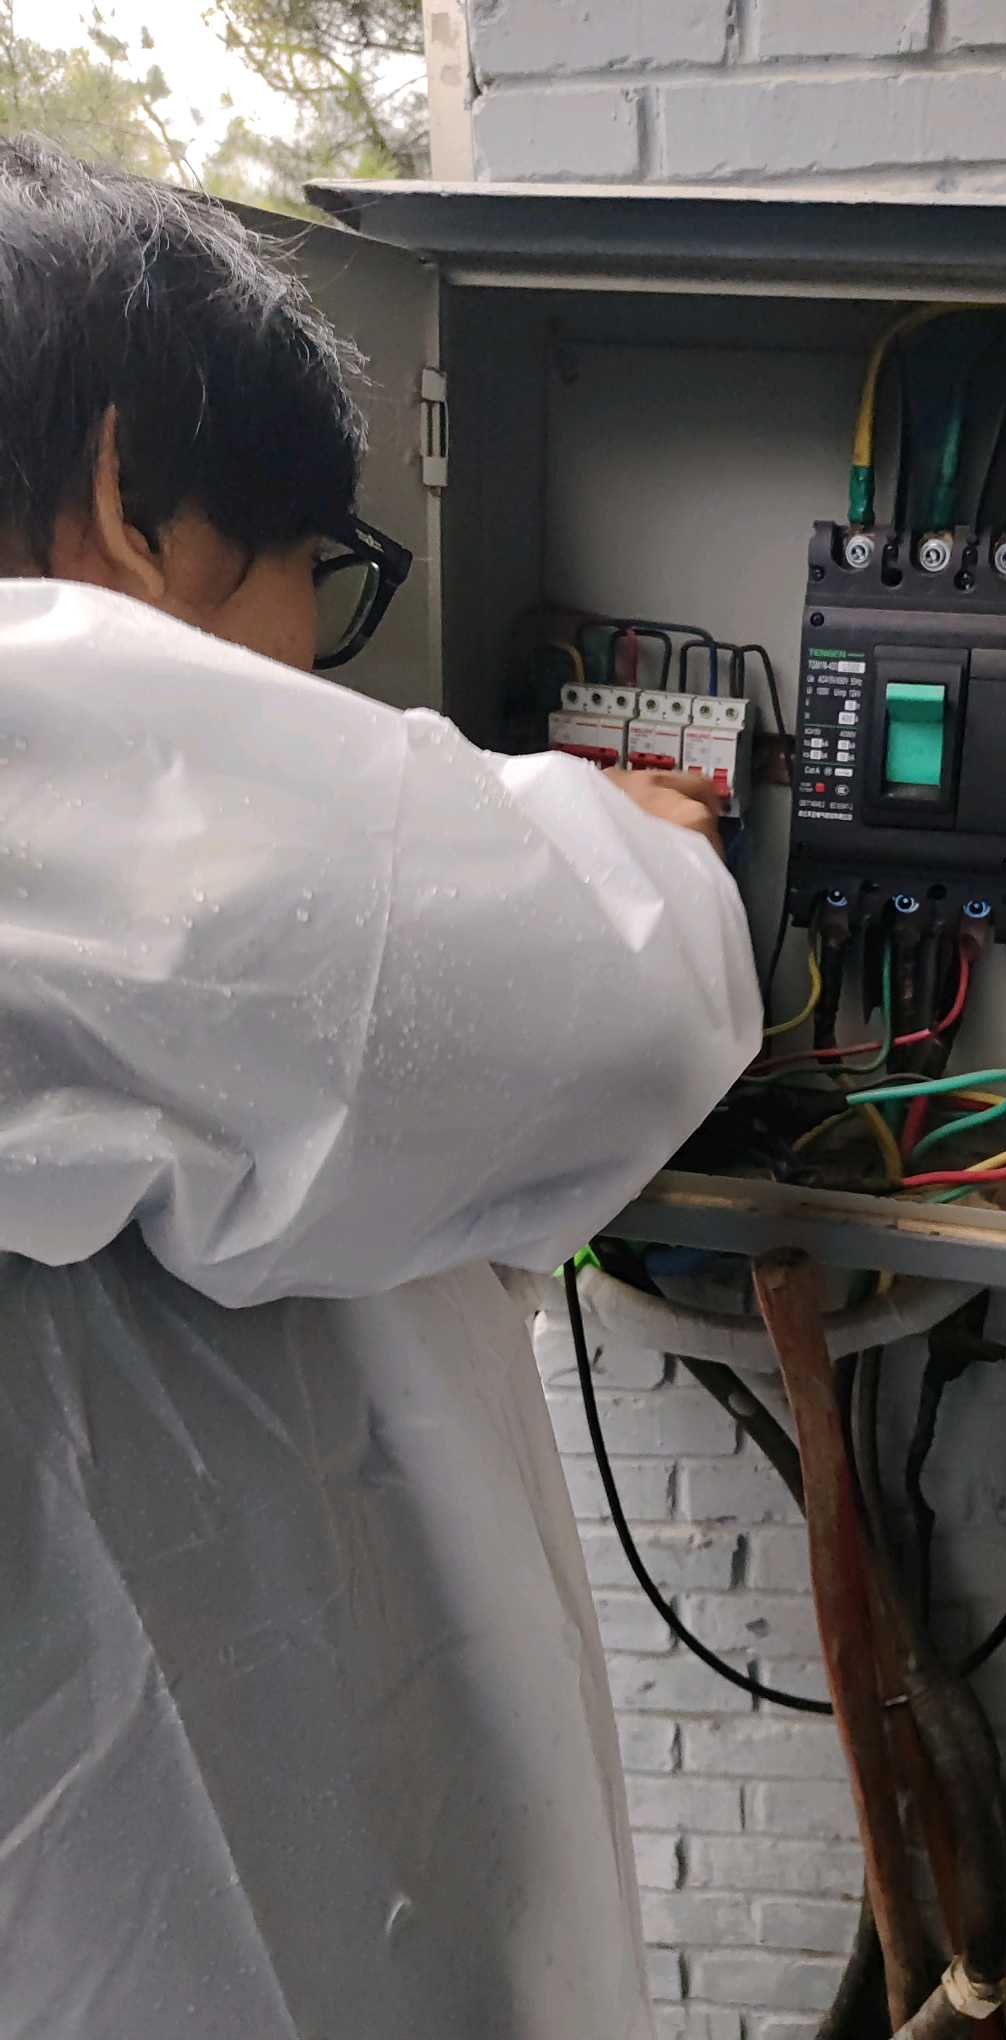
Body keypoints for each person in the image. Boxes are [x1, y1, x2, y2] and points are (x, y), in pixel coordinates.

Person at [0, 138, 760, 2039]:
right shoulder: (53, 751)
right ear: (127, 496)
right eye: (310, 582)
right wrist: (643, 839)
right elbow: (611, 999)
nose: (313, 681)